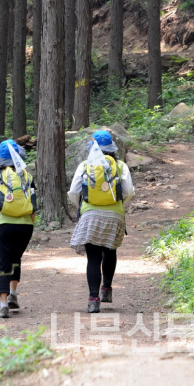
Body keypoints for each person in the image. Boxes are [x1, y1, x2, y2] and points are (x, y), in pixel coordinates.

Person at [68, 129, 135, 313]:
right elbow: (128, 191)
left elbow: (73, 191)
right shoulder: (120, 166)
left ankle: (93, 300)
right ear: (112, 148)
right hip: (114, 215)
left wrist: (83, 205)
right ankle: (106, 289)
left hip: (90, 215)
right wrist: (117, 203)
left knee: (93, 258)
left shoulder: (85, 166)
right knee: (110, 251)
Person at [0, 139, 36, 318]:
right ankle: (13, 294)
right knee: (16, 259)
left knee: (4, 261)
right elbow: (33, 205)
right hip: (25, 225)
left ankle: (3, 305)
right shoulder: (27, 176)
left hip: (4, 225)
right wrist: (31, 224)